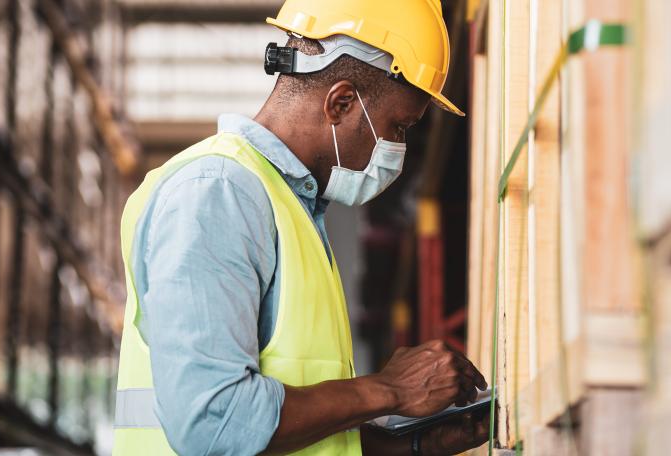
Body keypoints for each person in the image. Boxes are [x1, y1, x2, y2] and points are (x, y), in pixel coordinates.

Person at [112, 1, 488, 454]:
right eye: (399, 127)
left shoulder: (289, 207)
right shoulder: (216, 193)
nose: (397, 149)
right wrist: (390, 390)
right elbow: (217, 422)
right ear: (342, 102)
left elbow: (295, 435)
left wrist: (416, 445)